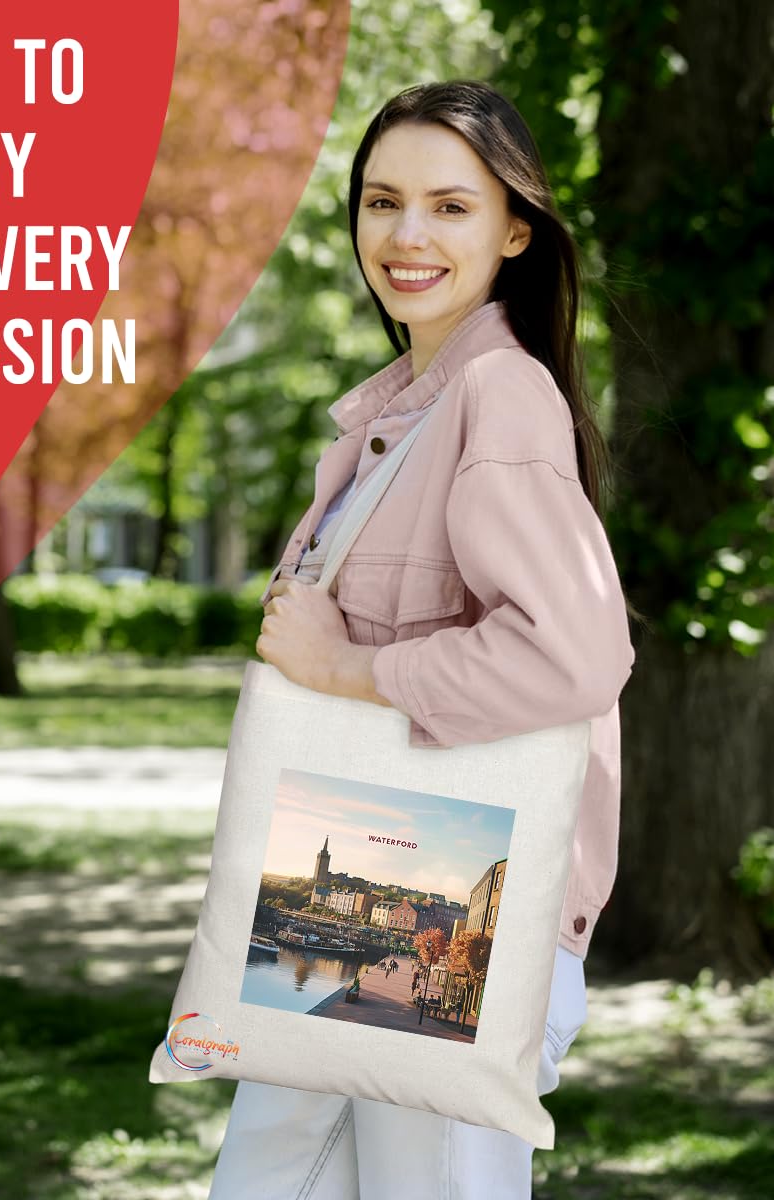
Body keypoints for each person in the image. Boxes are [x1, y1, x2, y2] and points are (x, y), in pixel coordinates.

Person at [207, 79, 634, 1200]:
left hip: (464, 936)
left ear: (513, 230)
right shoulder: (401, 414)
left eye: (449, 207)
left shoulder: (499, 398)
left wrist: (345, 668)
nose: (404, 236)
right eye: (381, 201)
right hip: (394, 908)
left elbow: (572, 659)